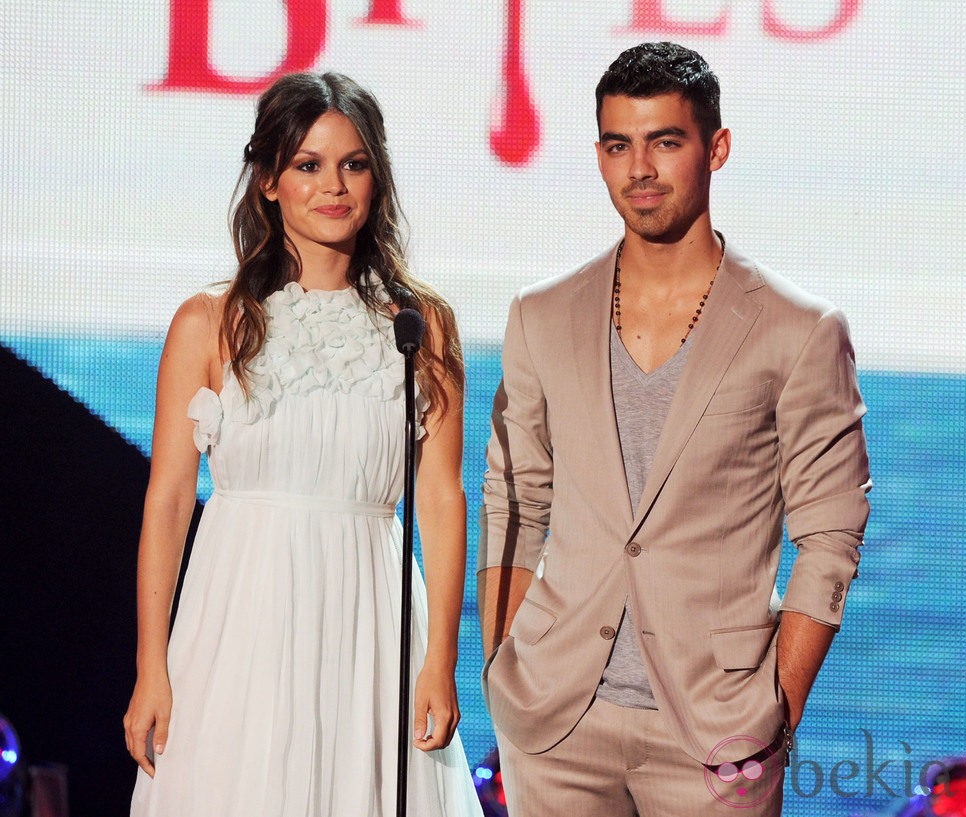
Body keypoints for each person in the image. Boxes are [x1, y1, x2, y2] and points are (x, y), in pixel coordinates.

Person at [479, 42, 871, 817]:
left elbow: (830, 534)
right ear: (598, 155)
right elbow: (513, 503)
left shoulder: (799, 329)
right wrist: (501, 671)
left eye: (666, 141)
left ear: (715, 147)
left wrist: (774, 713)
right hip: (556, 723)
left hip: (716, 734)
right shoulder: (542, 314)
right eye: (620, 145)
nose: (641, 169)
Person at [123, 71, 482, 816]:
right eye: (309, 166)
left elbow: (442, 501)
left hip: (373, 623)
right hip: (239, 617)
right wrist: (150, 664)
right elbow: (166, 503)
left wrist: (441, 657)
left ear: (376, 179)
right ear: (268, 181)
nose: (334, 186)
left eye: (353, 164)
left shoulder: (423, 326)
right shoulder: (209, 323)